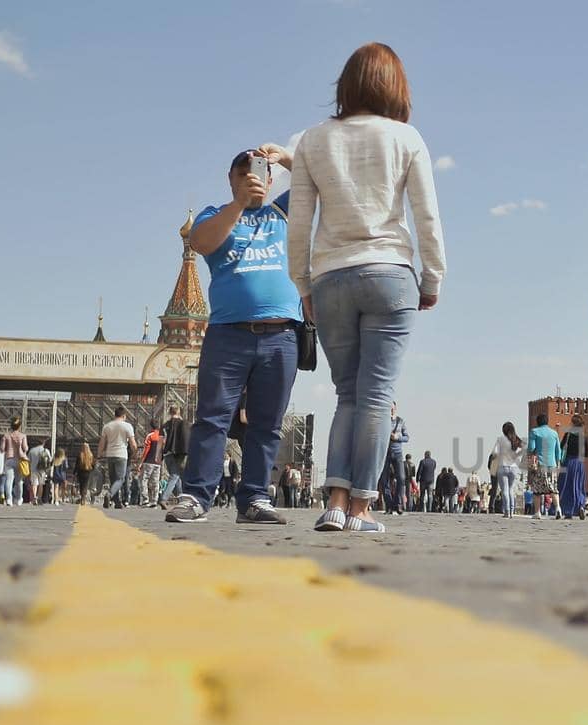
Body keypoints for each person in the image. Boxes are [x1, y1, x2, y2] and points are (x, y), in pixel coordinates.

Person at [290, 43, 446, 534]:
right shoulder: (406, 138)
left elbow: (299, 224)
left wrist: (303, 283)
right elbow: (426, 218)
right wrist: (432, 278)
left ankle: (334, 502)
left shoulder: (314, 140)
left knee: (348, 394)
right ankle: (361, 508)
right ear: (395, 87)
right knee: (377, 396)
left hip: (332, 277)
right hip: (390, 274)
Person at [165, 142, 301, 526]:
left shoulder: (284, 212)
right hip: (229, 334)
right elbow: (201, 242)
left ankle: (255, 497)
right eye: (242, 174)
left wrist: (288, 159)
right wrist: (239, 205)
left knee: (267, 422)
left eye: (257, 172)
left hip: (281, 335)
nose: (251, 179)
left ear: (271, 178)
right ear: (230, 181)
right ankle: (196, 496)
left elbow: (325, 183)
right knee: (212, 418)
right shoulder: (216, 214)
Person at [99, 407, 137, 509]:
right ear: (124, 416)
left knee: (113, 479)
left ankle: (117, 502)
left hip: (110, 454)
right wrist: (134, 452)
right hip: (121, 455)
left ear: (114, 415)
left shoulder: (107, 426)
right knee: (120, 479)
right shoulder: (127, 426)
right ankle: (109, 494)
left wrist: (100, 453)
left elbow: (102, 442)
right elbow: (133, 443)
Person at [527, 414, 562, 520]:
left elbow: (531, 448)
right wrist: (558, 463)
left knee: (537, 490)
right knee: (553, 489)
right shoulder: (554, 433)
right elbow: (558, 451)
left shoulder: (534, 432)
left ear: (538, 422)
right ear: (547, 421)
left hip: (540, 465)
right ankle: (558, 509)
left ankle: (537, 513)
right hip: (552, 464)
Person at [559, 414, 588, 519]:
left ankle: (568, 511)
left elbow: (561, 447)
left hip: (568, 463)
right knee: (579, 486)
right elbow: (587, 454)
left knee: (566, 486)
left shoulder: (568, 435)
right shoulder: (584, 437)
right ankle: (581, 506)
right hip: (579, 464)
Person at [492, 422, 524, 518]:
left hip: (503, 466)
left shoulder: (500, 439)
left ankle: (507, 511)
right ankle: (512, 511)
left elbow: (494, 453)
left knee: (504, 490)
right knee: (511, 489)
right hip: (514, 467)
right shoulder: (517, 440)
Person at [383, 403, 409, 515]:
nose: (391, 410)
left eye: (393, 408)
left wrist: (397, 437)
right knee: (384, 479)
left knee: (401, 478)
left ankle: (398, 504)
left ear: (395, 409)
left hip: (398, 452)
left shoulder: (401, 421)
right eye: (389, 408)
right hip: (385, 452)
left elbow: (407, 437)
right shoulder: (383, 421)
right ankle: (389, 505)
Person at [161, 406, 189, 501]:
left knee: (176, 477)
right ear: (179, 412)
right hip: (180, 453)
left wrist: (158, 455)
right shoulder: (183, 424)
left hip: (167, 454)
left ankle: (181, 500)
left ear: (169, 412)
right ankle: (164, 498)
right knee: (175, 476)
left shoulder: (165, 425)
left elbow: (161, 442)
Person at [137, 423, 163, 508]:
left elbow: (146, 450)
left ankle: (145, 500)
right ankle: (154, 500)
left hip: (148, 461)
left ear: (151, 426)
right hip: (158, 463)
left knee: (144, 480)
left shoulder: (150, 436)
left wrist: (141, 462)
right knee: (155, 482)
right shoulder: (161, 436)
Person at [28, 438, 51, 505]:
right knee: (41, 484)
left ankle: (34, 497)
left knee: (34, 484)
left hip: (33, 469)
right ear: (43, 443)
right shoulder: (46, 451)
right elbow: (49, 460)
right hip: (42, 470)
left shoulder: (32, 450)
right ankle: (39, 498)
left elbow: (28, 460)